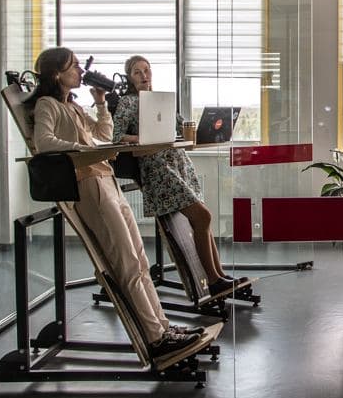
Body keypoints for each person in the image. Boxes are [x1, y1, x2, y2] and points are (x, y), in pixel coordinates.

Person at [26, 47, 203, 365]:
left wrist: (100, 104)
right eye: (74, 66)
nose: (80, 71)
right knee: (126, 264)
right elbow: (44, 142)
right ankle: (155, 338)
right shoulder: (47, 105)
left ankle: (164, 327)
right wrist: (81, 149)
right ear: (56, 73)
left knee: (139, 259)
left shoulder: (73, 106)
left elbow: (104, 134)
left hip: (106, 179)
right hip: (89, 184)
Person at [111, 55, 242, 298]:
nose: (144, 75)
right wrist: (140, 137)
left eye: (147, 70)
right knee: (203, 216)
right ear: (129, 77)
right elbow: (116, 136)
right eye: (137, 72)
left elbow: (182, 126)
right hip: (158, 167)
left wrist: (204, 130)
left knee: (202, 219)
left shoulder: (162, 99)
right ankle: (214, 280)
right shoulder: (128, 102)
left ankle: (220, 276)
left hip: (178, 162)